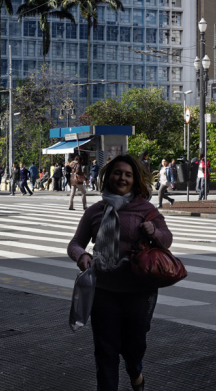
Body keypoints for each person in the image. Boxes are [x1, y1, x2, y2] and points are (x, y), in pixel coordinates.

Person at [68, 154, 171, 391]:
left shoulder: (146, 210)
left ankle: (135, 371)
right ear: (108, 177)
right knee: (105, 350)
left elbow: (166, 239)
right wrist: (82, 256)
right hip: (104, 290)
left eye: (128, 174)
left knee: (134, 346)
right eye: (117, 173)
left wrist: (153, 231)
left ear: (134, 180)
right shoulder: (95, 211)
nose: (122, 178)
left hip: (138, 289)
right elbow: (75, 243)